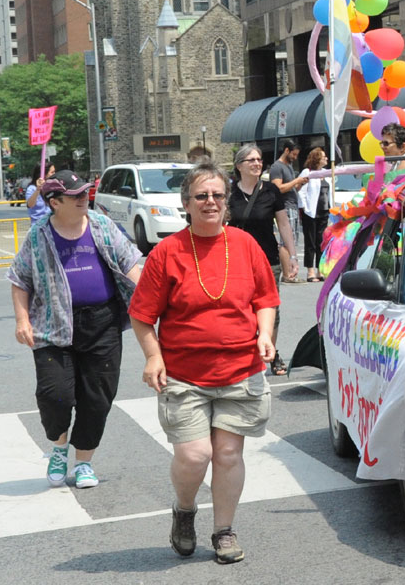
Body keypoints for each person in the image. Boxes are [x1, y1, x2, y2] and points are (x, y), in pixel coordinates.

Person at [129, 161, 279, 565]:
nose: (210, 202)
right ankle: (184, 510)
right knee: (195, 455)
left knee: (228, 454)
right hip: (185, 375)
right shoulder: (167, 253)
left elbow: (265, 299)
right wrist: (153, 356)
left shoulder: (245, 245)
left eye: (216, 195)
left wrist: (265, 334)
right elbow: (142, 315)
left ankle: (224, 531)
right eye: (201, 196)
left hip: (241, 370)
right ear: (187, 204)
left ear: (226, 201)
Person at [7, 170, 143, 489]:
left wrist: (148, 304)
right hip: (53, 326)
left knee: (97, 398)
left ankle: (83, 462)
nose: (85, 198)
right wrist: (22, 320)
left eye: (86, 193)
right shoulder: (39, 235)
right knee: (54, 396)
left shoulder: (102, 225)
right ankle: (58, 447)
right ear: (55, 202)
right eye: (77, 195)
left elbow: (131, 266)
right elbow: (19, 279)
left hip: (102, 322)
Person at [228, 144, 298, 376]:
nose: (258, 163)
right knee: (243, 310)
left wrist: (293, 254)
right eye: (252, 160)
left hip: (268, 258)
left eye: (259, 160)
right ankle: (248, 351)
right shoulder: (229, 194)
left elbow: (284, 224)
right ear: (239, 166)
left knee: (270, 309)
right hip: (236, 261)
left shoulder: (270, 191)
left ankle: (271, 350)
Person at [268, 141, 308, 282]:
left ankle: (291, 273)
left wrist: (299, 184)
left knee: (292, 240)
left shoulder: (289, 167)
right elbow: (278, 188)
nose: (295, 157)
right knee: (285, 240)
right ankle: (287, 274)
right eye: (294, 154)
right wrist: (296, 180)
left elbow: (290, 189)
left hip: (293, 205)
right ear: (286, 150)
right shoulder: (277, 167)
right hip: (285, 207)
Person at [297, 147, 330, 282]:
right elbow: (301, 190)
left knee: (321, 241)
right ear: (317, 159)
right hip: (311, 212)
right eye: (323, 157)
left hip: (324, 211)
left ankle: (320, 270)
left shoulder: (326, 172)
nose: (326, 158)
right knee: (310, 242)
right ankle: (310, 271)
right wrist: (304, 207)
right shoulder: (308, 172)